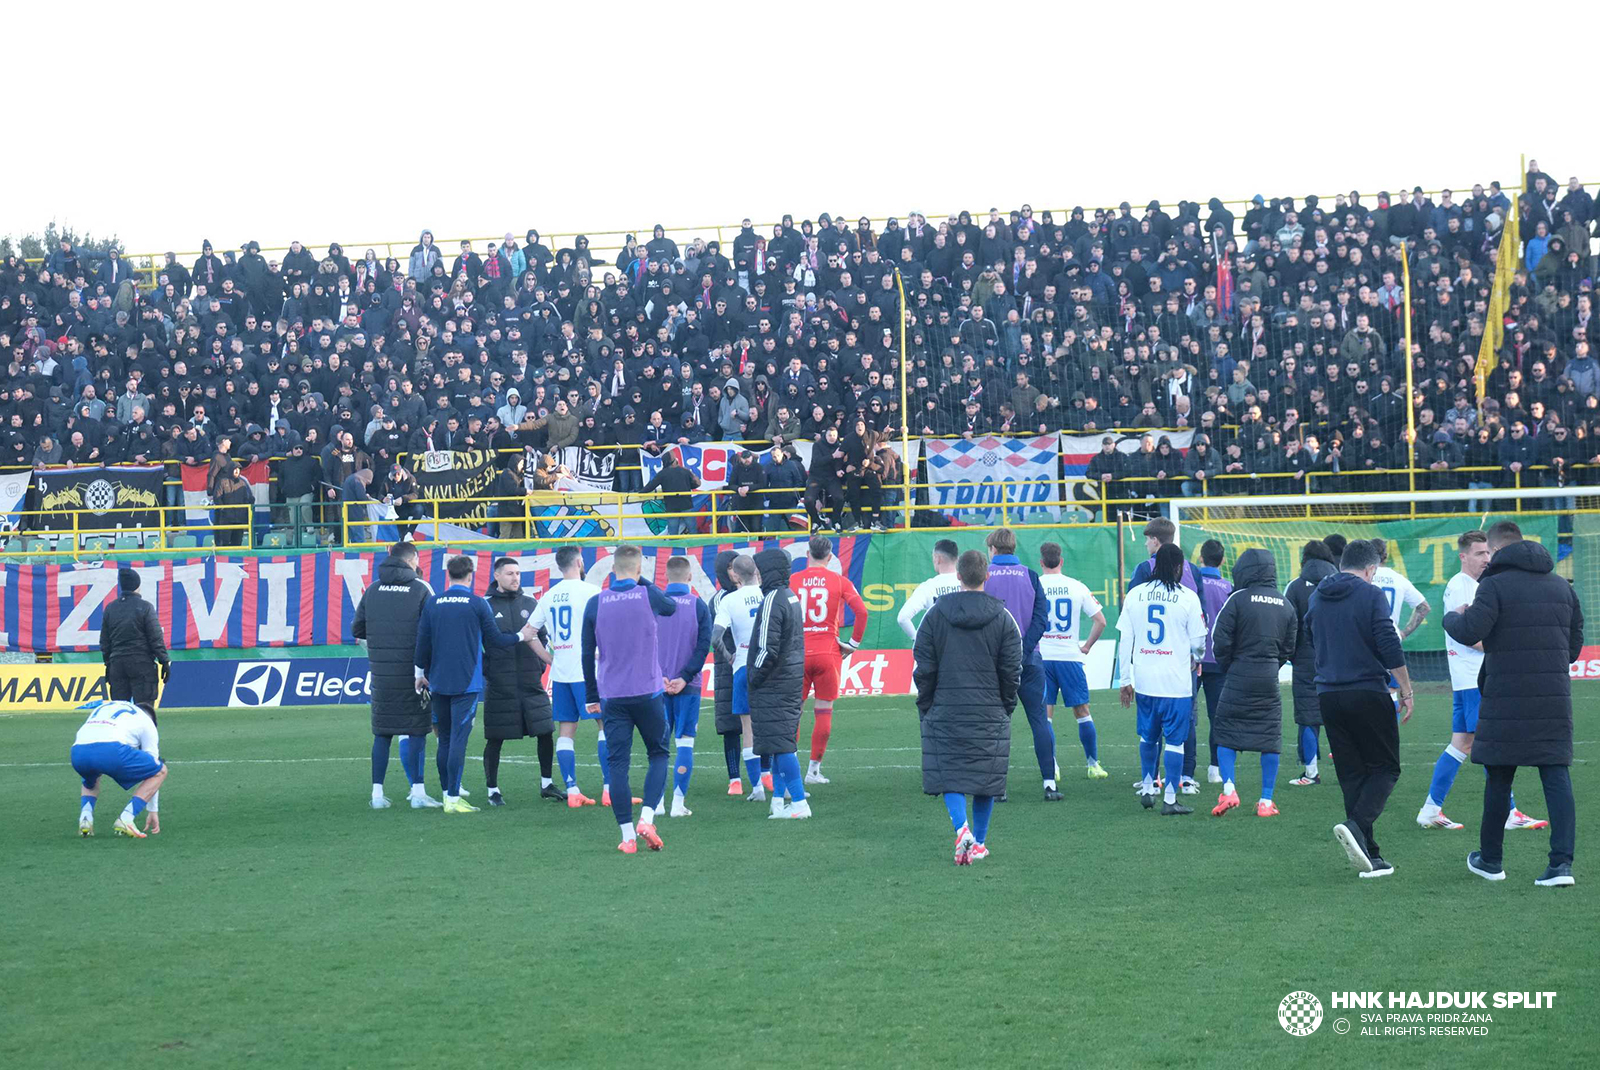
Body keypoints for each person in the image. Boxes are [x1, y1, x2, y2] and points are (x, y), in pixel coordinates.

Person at [1444, 521, 1582, 888]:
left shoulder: (1493, 585)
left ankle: (1491, 861)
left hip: (1504, 698)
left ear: (1497, 550)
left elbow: (1469, 630)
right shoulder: (1561, 587)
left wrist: (1453, 616)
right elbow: (1573, 649)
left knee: (1499, 779)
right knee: (1556, 775)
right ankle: (1560, 866)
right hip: (1553, 697)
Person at [1420, 531, 1547, 832]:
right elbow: (1472, 635)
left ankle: (1430, 808)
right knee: (1492, 744)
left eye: (1488, 553)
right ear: (1463, 556)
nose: (1486, 559)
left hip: (1467, 679)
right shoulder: (1462, 587)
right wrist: (1507, 647)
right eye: (1479, 554)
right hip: (1475, 679)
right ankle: (1509, 811)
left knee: (1462, 743)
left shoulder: (1472, 586)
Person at [1307, 539, 1415, 879]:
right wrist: (1406, 689)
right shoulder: (1371, 595)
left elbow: (1311, 638)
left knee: (1352, 774)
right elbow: (1388, 643)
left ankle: (1372, 854)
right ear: (1371, 569)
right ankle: (1357, 827)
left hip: (1328, 695)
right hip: (1366, 690)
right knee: (1386, 768)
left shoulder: (1316, 596)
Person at [914, 548, 1022, 865]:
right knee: (985, 777)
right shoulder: (1003, 617)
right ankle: (979, 841)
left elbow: (923, 664)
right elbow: (1012, 669)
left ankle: (963, 830)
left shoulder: (935, 614)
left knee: (952, 772)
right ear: (986, 576)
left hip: (946, 706)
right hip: (989, 709)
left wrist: (927, 702)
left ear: (957, 576)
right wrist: (1006, 704)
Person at [414, 555, 534, 814]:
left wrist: (419, 673)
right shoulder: (477, 603)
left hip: (438, 680)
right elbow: (495, 640)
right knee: (458, 739)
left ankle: (448, 795)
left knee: (444, 738)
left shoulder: (433, 603)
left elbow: (422, 643)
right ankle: (454, 799)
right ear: (470, 576)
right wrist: (520, 636)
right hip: (466, 682)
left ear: (449, 575)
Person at [580, 544, 680, 853]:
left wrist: (591, 695)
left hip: (613, 694)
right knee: (659, 754)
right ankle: (647, 817)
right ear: (638, 571)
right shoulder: (647, 594)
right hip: (648, 692)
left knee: (618, 764)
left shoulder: (596, 603)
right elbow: (671, 607)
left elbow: (587, 654)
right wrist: (644, 581)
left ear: (612, 571)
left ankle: (627, 837)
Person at [1208, 548, 1298, 817]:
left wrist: (1230, 665)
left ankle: (1229, 788)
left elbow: (1219, 639)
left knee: (1225, 730)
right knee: (1270, 736)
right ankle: (1266, 802)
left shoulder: (1238, 599)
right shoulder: (1285, 604)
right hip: (1269, 676)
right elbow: (1289, 647)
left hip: (1238, 674)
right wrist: (1272, 664)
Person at [1118, 544, 1208, 815]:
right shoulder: (1188, 597)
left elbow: (1125, 640)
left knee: (1148, 736)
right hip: (1176, 682)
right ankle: (1169, 798)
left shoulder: (1135, 594)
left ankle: (1147, 787)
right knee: (1175, 741)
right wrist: (1197, 658)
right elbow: (1199, 643)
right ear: (1180, 567)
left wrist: (1125, 679)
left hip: (1145, 679)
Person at [352, 541, 437, 809]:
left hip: (381, 672)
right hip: (414, 672)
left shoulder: (373, 589)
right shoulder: (421, 588)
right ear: (414, 560)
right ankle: (418, 792)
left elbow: (358, 629)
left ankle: (377, 795)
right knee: (417, 731)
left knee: (382, 733)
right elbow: (432, 628)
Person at [984, 528, 1061, 801]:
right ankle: (1049, 783)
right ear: (1013, 548)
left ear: (993, 548)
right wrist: (1024, 649)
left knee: (995, 725)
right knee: (1040, 721)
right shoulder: (1031, 576)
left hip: (994, 664)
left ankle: (998, 788)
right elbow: (1042, 618)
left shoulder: (985, 577)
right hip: (1029, 660)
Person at [789, 534, 869, 784]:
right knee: (824, 711)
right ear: (831, 557)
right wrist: (853, 645)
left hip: (798, 653)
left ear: (807, 555)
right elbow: (862, 612)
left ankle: (788, 768)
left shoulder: (792, 580)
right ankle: (813, 771)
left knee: (794, 714)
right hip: (828, 653)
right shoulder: (839, 580)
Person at [480, 557, 560, 806]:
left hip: (529, 682)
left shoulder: (530, 603)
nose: (515, 578)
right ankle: (492, 789)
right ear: (497, 576)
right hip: (500, 684)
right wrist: (489, 670)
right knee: (495, 738)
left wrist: (537, 667)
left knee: (545, 731)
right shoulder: (486, 605)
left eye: (517, 573)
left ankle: (547, 784)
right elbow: (479, 643)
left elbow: (543, 637)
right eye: (509, 574)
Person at [532, 546, 607, 807]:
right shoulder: (592, 592)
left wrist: (549, 658)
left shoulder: (549, 595)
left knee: (566, 730)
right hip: (589, 672)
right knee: (604, 725)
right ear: (578, 562)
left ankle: (573, 790)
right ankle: (609, 788)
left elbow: (529, 633)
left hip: (561, 672)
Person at [747, 547, 809, 819]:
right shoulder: (790, 596)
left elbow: (766, 647)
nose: (757, 576)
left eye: (760, 570)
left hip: (774, 683)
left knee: (782, 746)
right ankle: (779, 803)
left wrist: (753, 676)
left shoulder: (772, 599)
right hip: (789, 679)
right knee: (779, 742)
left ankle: (798, 803)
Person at [1037, 541, 1108, 779]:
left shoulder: (1034, 585)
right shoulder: (1076, 586)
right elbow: (1101, 621)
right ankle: (1092, 764)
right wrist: (1086, 646)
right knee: (1083, 711)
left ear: (1041, 562)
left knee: (1045, 715)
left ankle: (1052, 767)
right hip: (1070, 658)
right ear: (1061, 561)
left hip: (1043, 659)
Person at [651, 555, 712, 817]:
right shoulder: (699, 606)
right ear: (690, 577)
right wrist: (685, 677)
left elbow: (645, 644)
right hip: (688, 686)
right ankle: (677, 803)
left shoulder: (653, 606)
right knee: (685, 742)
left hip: (657, 686)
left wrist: (660, 676)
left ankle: (657, 803)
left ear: (665, 577)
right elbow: (703, 648)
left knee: (660, 745)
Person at [713, 555, 772, 801]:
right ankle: (781, 785)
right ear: (756, 571)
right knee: (771, 726)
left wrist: (729, 656)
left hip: (742, 667)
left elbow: (715, 638)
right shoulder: (769, 595)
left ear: (735, 575)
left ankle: (756, 788)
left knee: (747, 727)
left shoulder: (728, 601)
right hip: (770, 666)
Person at [72, 699, 166, 839]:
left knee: (90, 777)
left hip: (78, 752)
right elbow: (152, 769)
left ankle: (85, 817)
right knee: (160, 771)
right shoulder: (148, 723)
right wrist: (152, 810)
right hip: (112, 751)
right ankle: (127, 818)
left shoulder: (110, 706)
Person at [1284, 540, 1337, 787]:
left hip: (1305, 658)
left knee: (1308, 715)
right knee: (1341, 714)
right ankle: (1349, 768)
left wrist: (1291, 654)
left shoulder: (1295, 587)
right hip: (1339, 658)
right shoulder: (1341, 581)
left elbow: (1288, 624)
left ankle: (1311, 772)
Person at [1369, 537, 1429, 702]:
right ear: (1386, 556)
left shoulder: (1363, 576)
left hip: (1365, 639)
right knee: (1391, 691)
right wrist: (1403, 633)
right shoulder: (1397, 578)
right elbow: (1423, 607)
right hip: (1390, 639)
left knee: (1363, 689)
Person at [709, 551, 749, 796]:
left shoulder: (752, 593)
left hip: (750, 662)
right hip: (728, 666)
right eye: (731, 568)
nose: (735, 572)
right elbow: (718, 635)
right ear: (724, 572)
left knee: (756, 722)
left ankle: (763, 772)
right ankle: (734, 778)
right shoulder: (719, 599)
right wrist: (729, 657)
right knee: (731, 725)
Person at [100, 568, 169, 706]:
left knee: (120, 711)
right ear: (137, 584)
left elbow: (105, 642)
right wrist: (164, 661)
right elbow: (155, 638)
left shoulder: (110, 608)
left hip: (117, 665)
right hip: (142, 664)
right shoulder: (145, 607)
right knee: (145, 711)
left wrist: (108, 664)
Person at [897, 539, 962, 642]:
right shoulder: (969, 583)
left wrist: (918, 639)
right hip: (966, 647)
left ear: (938, 559)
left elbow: (902, 618)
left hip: (939, 648)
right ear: (957, 559)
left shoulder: (928, 587)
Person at [641, 451, 701, 535]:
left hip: (671, 506)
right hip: (686, 504)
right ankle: (695, 547)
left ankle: (674, 548)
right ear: (673, 461)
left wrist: (639, 493)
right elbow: (697, 484)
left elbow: (650, 486)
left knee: (672, 533)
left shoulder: (662, 474)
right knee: (693, 530)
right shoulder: (685, 471)